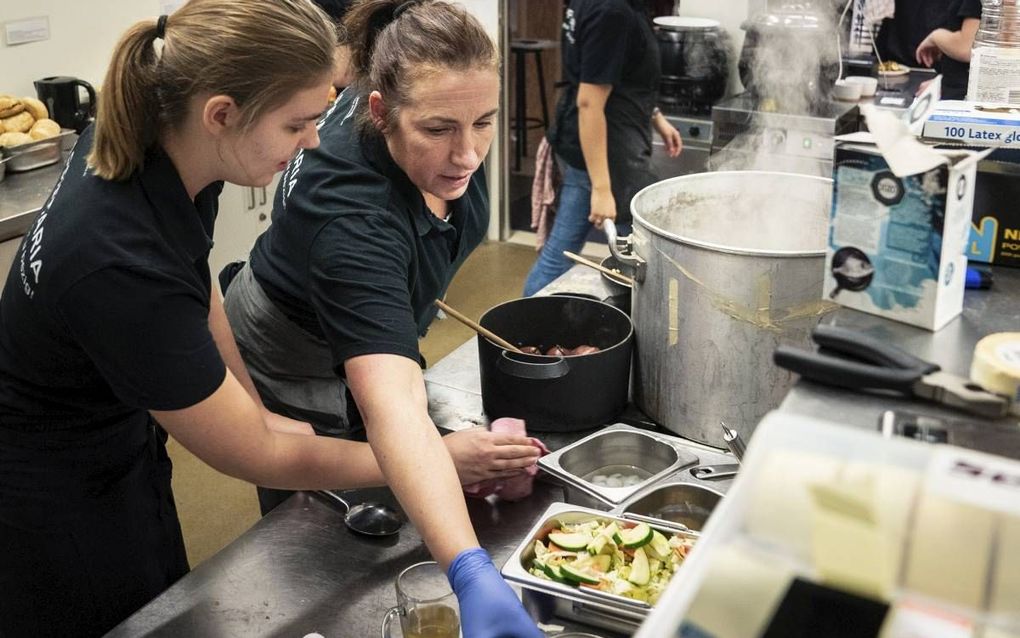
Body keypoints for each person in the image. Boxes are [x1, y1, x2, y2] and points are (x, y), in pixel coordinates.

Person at [0, 1, 537, 637]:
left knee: (163, 589)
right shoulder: (119, 263)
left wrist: (254, 403)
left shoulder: (153, 146)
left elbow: (195, 279)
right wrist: (453, 496)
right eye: (297, 124)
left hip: (119, 434)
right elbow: (259, 453)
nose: (315, 139)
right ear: (222, 115)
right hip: (46, 484)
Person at [221, 1, 543, 637]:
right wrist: (470, 569)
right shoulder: (352, 219)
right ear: (378, 112)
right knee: (322, 538)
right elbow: (392, 412)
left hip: (364, 319)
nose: (469, 153)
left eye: (484, 122)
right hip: (291, 348)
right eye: (439, 129)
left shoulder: (411, 81)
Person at [522, 0, 682, 296]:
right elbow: (589, 102)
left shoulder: (607, 6)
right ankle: (520, 332)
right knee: (561, 259)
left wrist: (656, 117)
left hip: (607, 145)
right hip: (602, 156)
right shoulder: (612, 11)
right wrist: (601, 188)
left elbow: (615, 72)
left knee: (622, 255)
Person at [914, 0, 982, 100]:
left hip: (965, 97)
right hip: (961, 89)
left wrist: (935, 37)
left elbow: (966, 48)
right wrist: (945, 83)